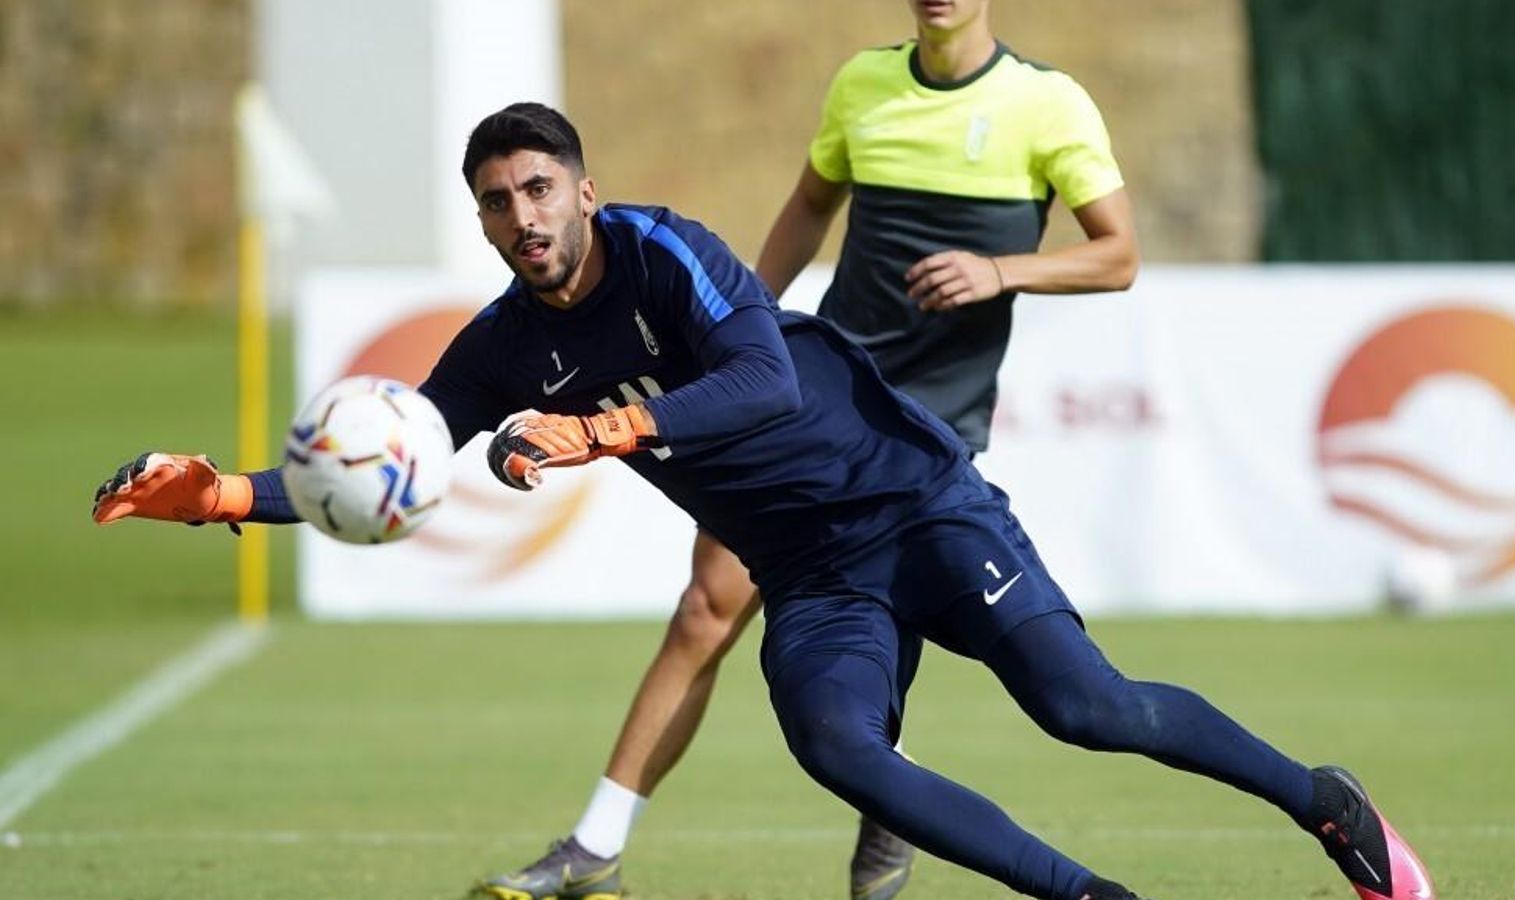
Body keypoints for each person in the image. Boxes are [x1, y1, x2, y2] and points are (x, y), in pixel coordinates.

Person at [91, 102, 1433, 900]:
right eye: (499, 204)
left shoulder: (669, 252)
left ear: (584, 191)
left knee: (1087, 708)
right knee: (838, 745)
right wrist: (222, 496)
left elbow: (763, 389)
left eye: (541, 189)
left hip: (915, 503)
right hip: (814, 575)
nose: (524, 217)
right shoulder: (503, 337)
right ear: (486, 222)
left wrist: (606, 425)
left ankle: (1320, 797)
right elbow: (401, 455)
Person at [495, 2, 1140, 897]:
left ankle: (887, 805)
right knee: (707, 608)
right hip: (816, 394)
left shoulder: (1049, 104)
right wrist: (730, 330)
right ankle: (598, 844)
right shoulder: (863, 85)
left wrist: (1002, 271)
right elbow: (808, 206)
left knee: (896, 622)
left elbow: (1118, 256)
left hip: (929, 424)